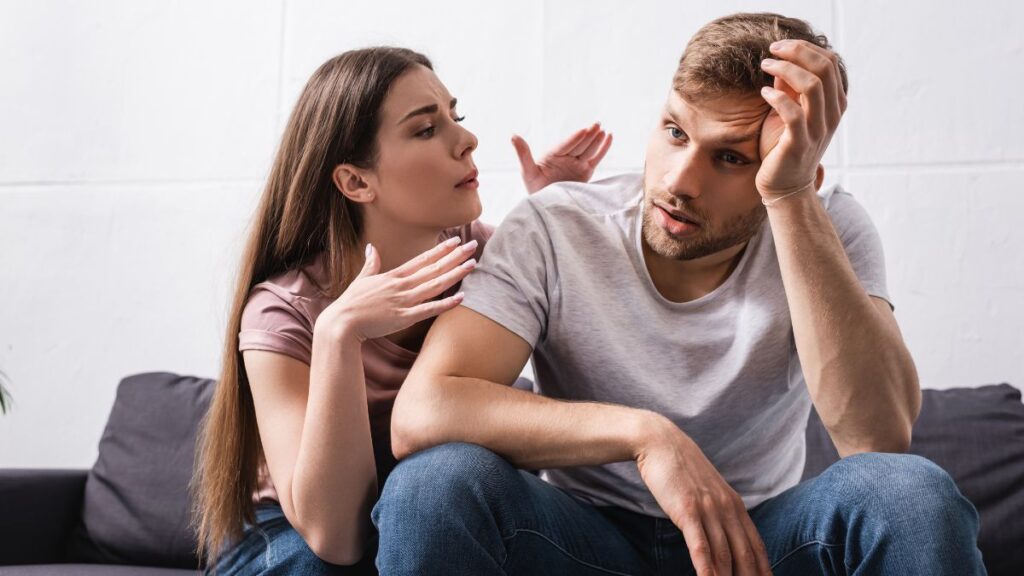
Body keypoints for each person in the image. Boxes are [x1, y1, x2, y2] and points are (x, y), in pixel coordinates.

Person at [375, 13, 987, 576]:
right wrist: (646, 437)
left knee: (909, 493)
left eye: (729, 158)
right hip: (582, 539)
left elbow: (875, 439)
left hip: (757, 542)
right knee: (435, 481)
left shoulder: (827, 226)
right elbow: (422, 412)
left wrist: (792, 199)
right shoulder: (555, 225)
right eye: (674, 131)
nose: (678, 181)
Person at [191, 46, 613, 575]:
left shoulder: (479, 256)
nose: (468, 140)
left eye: (455, 117)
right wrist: (338, 335)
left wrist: (552, 215)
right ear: (356, 182)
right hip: (292, 536)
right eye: (425, 129)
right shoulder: (282, 312)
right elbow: (335, 536)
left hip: (417, 515)